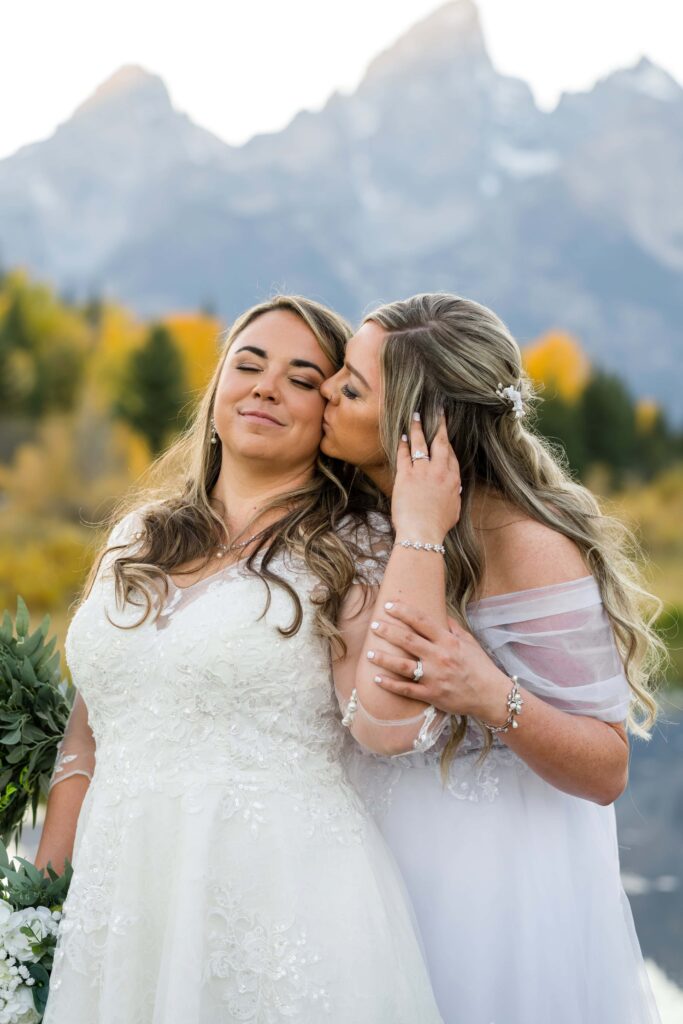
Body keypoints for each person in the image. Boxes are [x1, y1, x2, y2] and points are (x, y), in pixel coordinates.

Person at [36, 295, 444, 1024]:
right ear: (217, 386)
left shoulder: (351, 548)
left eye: (300, 377)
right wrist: (43, 901)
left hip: (279, 900)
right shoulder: (138, 536)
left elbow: (387, 727)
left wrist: (417, 530)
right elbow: (87, 735)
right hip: (124, 898)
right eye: (248, 365)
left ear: (330, 413)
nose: (264, 387)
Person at [320, 292, 663, 1023]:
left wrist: (489, 694)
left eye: (349, 386)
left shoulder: (527, 547)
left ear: (414, 427)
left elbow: (607, 768)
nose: (325, 391)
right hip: (368, 874)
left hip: (492, 895)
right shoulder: (356, 523)